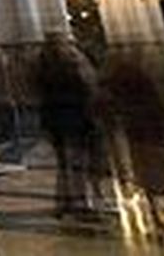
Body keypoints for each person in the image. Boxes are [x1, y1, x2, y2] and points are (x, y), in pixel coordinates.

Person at [102, 49, 164, 236]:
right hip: (149, 129)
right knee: (156, 165)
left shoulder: (111, 82)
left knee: (144, 164)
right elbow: (157, 101)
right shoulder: (142, 81)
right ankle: (158, 205)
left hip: (135, 130)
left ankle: (154, 203)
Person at [33, 33, 103, 219]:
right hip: (73, 118)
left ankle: (62, 202)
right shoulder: (72, 66)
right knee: (77, 163)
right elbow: (89, 87)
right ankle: (80, 204)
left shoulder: (43, 67)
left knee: (64, 164)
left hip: (54, 119)